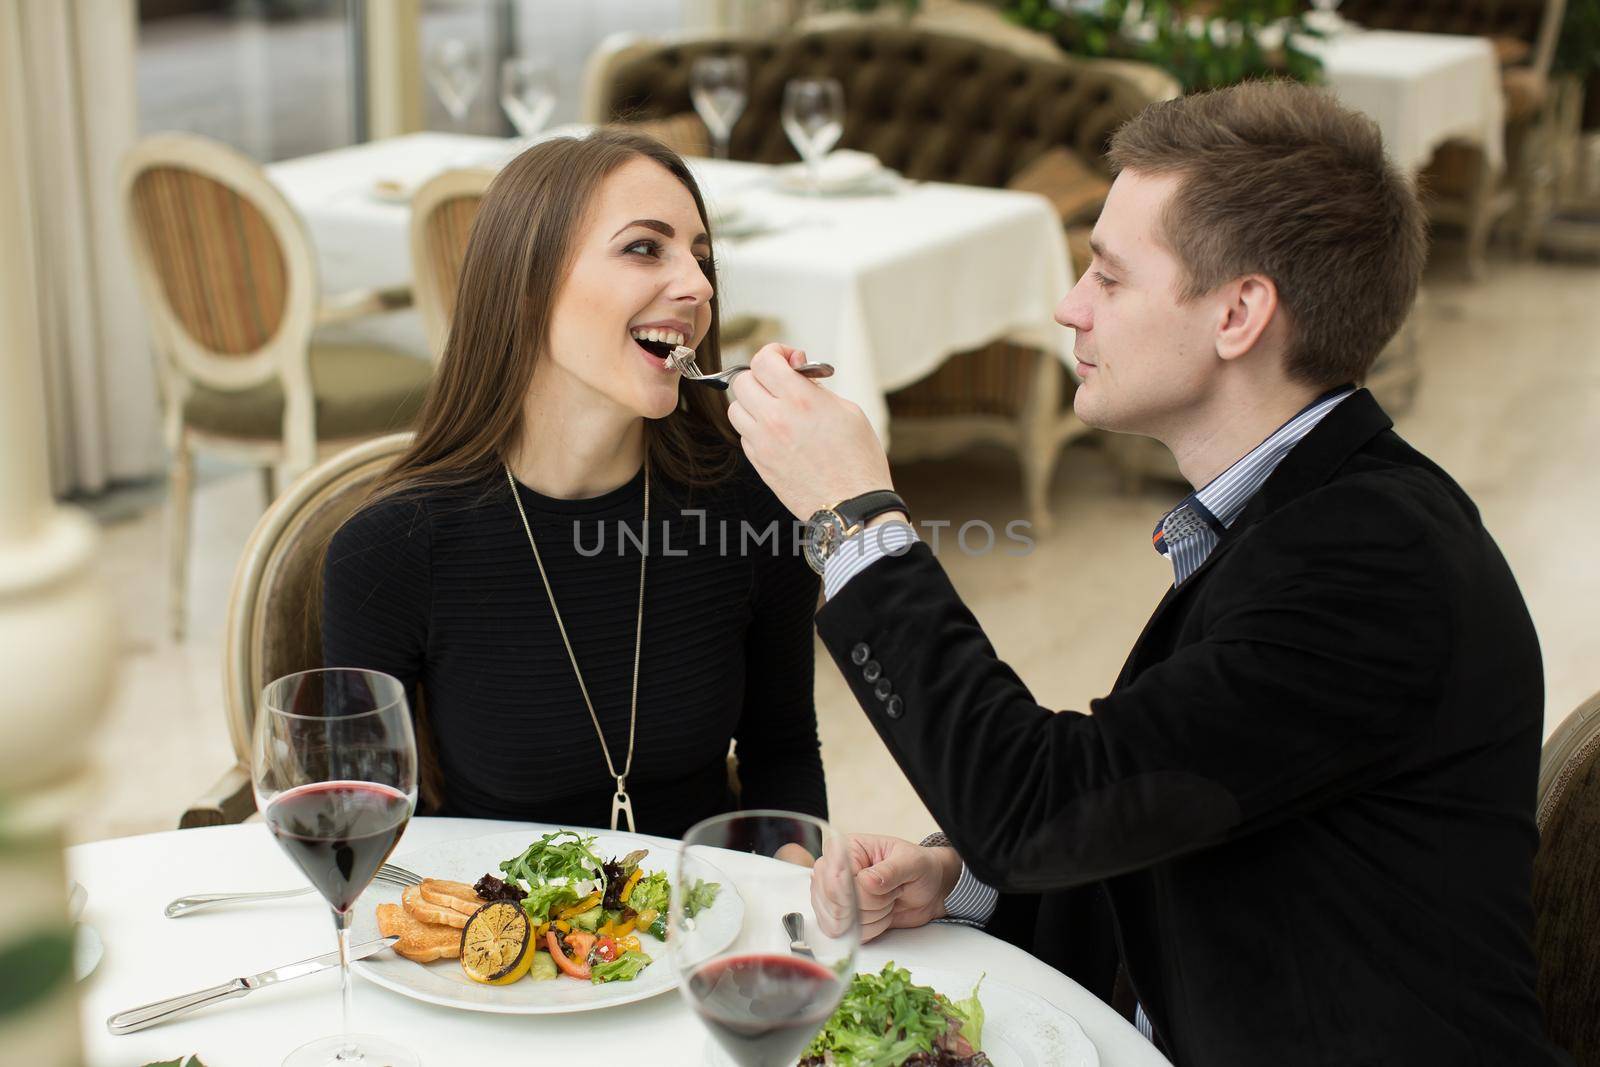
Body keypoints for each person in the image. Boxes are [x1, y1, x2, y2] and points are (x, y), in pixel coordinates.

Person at [726, 82, 1566, 1065]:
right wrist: (959, 877)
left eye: (1109, 275)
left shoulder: (1372, 566)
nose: (1067, 305)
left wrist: (855, 518)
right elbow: (1152, 795)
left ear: (1239, 312)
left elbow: (1037, 805)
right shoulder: (1307, 510)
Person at [322, 130, 825, 840]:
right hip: (486, 936)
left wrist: (794, 901)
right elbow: (361, 825)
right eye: (645, 247)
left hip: (704, 924)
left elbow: (783, 752)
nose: (700, 286)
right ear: (528, 285)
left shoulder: (751, 507)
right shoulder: (392, 552)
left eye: (701, 257)